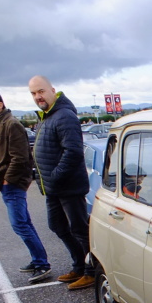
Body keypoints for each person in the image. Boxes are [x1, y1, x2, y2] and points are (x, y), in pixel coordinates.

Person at [0, 89, 51, 284]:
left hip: (12, 184)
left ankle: (43, 264)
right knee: (24, 223)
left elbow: (20, 157)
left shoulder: (11, 124)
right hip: (8, 185)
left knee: (20, 224)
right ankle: (38, 260)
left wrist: (7, 180)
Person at [28, 75, 94, 290]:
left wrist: (55, 175)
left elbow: (73, 151)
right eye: (34, 93)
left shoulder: (64, 115)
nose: (38, 96)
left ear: (53, 90)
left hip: (68, 186)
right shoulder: (48, 116)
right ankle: (78, 266)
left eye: (41, 91)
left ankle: (92, 270)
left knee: (79, 229)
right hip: (54, 188)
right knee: (57, 226)